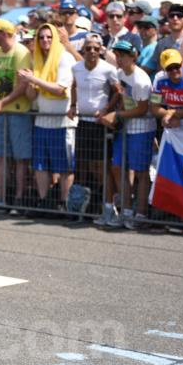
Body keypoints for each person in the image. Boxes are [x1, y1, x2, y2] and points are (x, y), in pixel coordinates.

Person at [97, 40, 156, 229]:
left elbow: (142, 109)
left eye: (122, 55)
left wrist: (117, 114)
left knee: (140, 172)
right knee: (117, 167)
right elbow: (124, 98)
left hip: (141, 129)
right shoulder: (120, 74)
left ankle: (140, 213)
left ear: (133, 57)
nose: (119, 59)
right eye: (117, 55)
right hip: (125, 128)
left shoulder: (141, 79)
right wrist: (111, 113)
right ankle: (127, 210)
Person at [19, 22, 77, 212]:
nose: (45, 40)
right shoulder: (37, 60)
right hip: (42, 120)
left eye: (49, 37)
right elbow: (31, 96)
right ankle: (44, 201)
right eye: (41, 37)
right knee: (40, 164)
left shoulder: (65, 58)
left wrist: (33, 79)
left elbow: (61, 90)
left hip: (62, 122)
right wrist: (28, 83)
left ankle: (64, 203)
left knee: (64, 166)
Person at [70, 33, 120, 224]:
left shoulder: (108, 69)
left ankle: (109, 205)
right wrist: (73, 105)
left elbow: (118, 92)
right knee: (83, 165)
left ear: (101, 51)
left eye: (96, 49)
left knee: (101, 166)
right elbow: (74, 86)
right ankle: (84, 206)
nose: (92, 52)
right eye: (88, 48)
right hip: (83, 122)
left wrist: (106, 109)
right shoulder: (76, 68)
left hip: (99, 125)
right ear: (83, 50)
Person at [0, 19, 32, 210]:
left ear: (3, 33)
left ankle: (18, 199)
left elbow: (22, 85)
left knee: (20, 158)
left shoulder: (21, 53)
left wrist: (0, 103)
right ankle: (1, 198)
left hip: (18, 111)